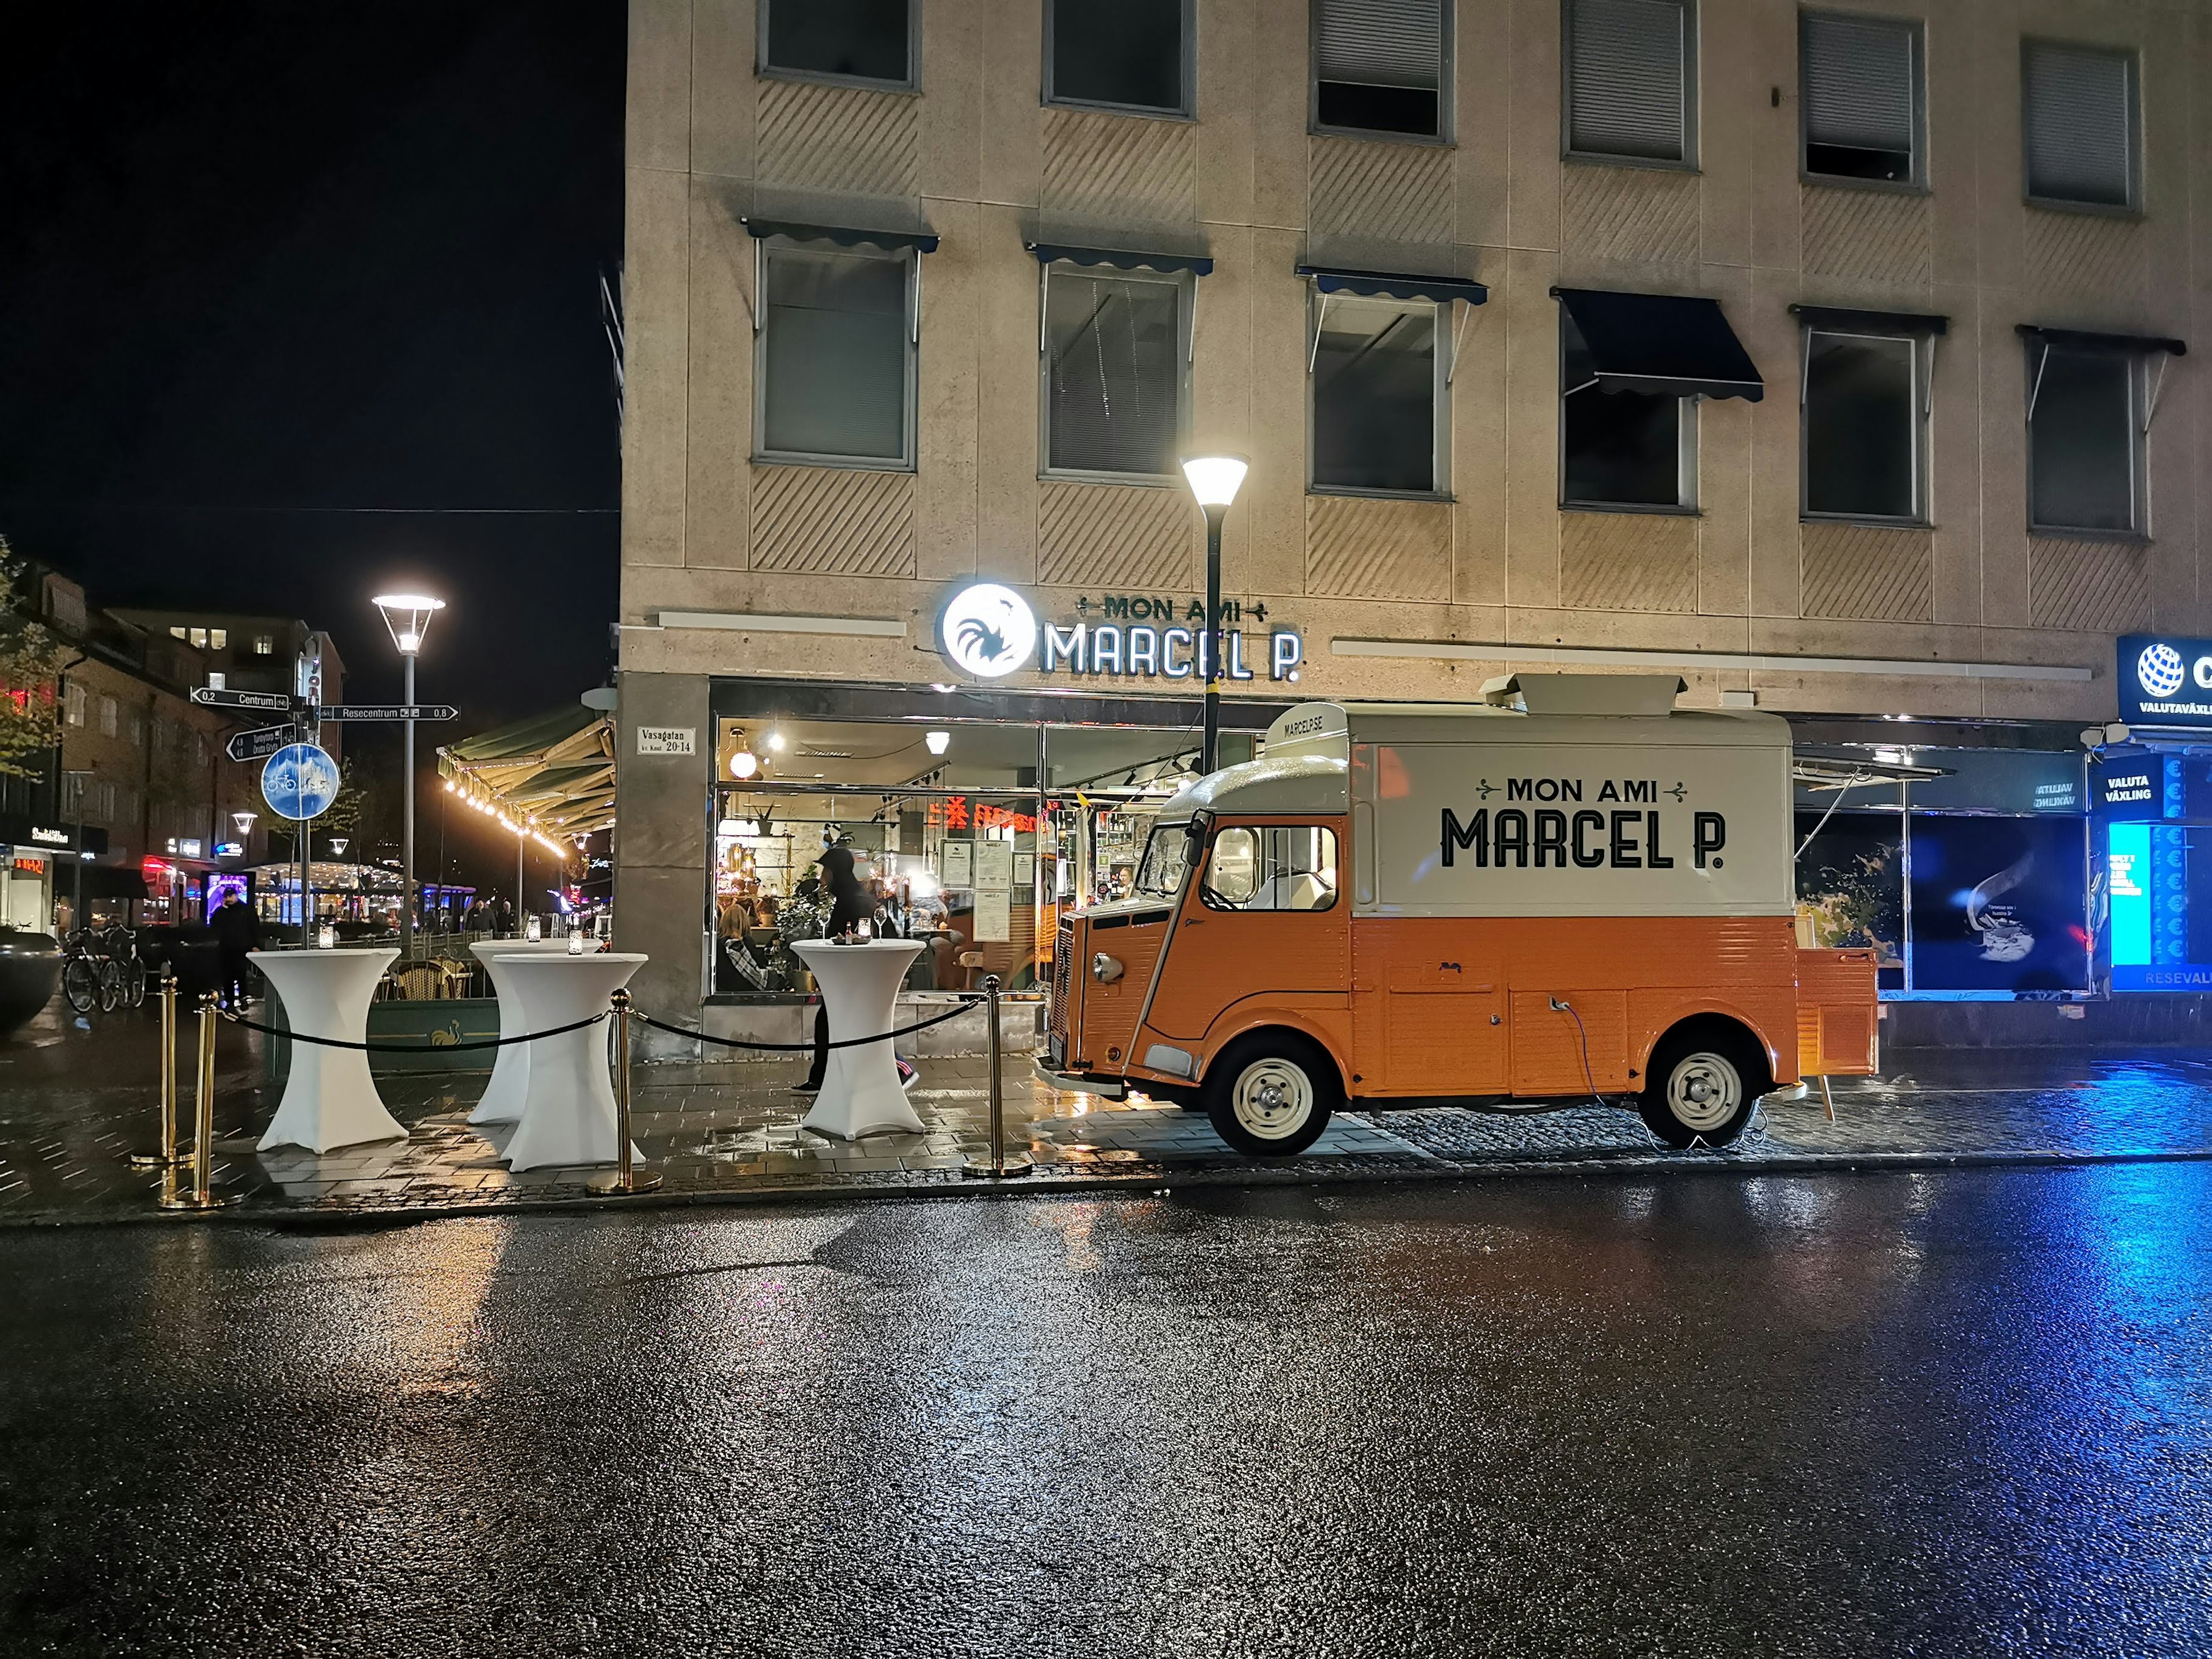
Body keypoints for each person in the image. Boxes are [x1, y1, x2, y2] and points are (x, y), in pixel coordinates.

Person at [796, 844, 916, 1095]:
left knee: (860, 1024)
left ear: (835, 871)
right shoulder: (851, 897)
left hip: (860, 976)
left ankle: (901, 1069)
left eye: (825, 870)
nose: (821, 877)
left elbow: (865, 937)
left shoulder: (854, 900)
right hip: (856, 976)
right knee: (831, 1022)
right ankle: (821, 1078)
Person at [210, 892, 260, 1010]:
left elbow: (254, 928)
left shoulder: (245, 910)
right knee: (229, 976)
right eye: (227, 897)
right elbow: (214, 923)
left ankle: (241, 998)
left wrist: (254, 945)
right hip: (228, 948)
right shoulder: (225, 911)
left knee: (240, 974)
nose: (228, 899)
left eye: (230, 897)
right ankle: (231, 1000)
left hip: (240, 948)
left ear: (235, 896)